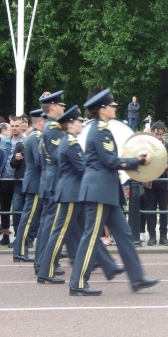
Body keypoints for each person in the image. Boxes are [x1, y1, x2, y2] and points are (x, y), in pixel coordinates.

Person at [69, 89, 159, 296]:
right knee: (91, 237)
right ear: (102, 110)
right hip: (100, 191)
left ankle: (137, 278)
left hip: (106, 191)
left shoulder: (102, 130)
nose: (114, 108)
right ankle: (78, 283)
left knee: (125, 235)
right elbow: (110, 161)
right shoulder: (100, 131)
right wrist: (137, 160)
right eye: (111, 106)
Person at [37, 106, 126, 284]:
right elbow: (81, 168)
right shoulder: (71, 143)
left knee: (82, 230)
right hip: (71, 193)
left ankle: (107, 265)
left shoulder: (70, 141)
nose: (82, 124)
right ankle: (45, 271)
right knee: (60, 233)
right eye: (78, 122)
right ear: (70, 125)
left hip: (72, 192)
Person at [34, 91, 66, 275]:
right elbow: (57, 157)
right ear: (53, 106)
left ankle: (43, 262)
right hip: (54, 182)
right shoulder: (53, 128)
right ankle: (44, 263)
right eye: (61, 105)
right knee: (50, 225)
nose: (63, 108)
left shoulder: (51, 127)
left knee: (48, 224)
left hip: (49, 181)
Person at [12, 110, 45, 262]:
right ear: (41, 121)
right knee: (29, 218)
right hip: (35, 183)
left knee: (28, 218)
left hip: (33, 181)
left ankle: (20, 250)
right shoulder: (36, 137)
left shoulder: (32, 136)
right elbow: (40, 161)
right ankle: (19, 251)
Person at [143, 121, 168, 246]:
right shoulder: (146, 146)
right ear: (152, 132)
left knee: (164, 211)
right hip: (149, 182)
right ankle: (152, 236)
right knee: (150, 210)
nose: (158, 137)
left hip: (163, 181)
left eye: (160, 135)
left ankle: (163, 236)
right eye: (156, 134)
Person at [0, 116, 26, 246]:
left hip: (19, 179)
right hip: (4, 178)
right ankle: (5, 235)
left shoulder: (27, 141)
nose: (14, 128)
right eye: (12, 126)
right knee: (4, 209)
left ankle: (18, 238)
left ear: (22, 126)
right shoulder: (3, 141)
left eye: (16, 126)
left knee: (18, 209)